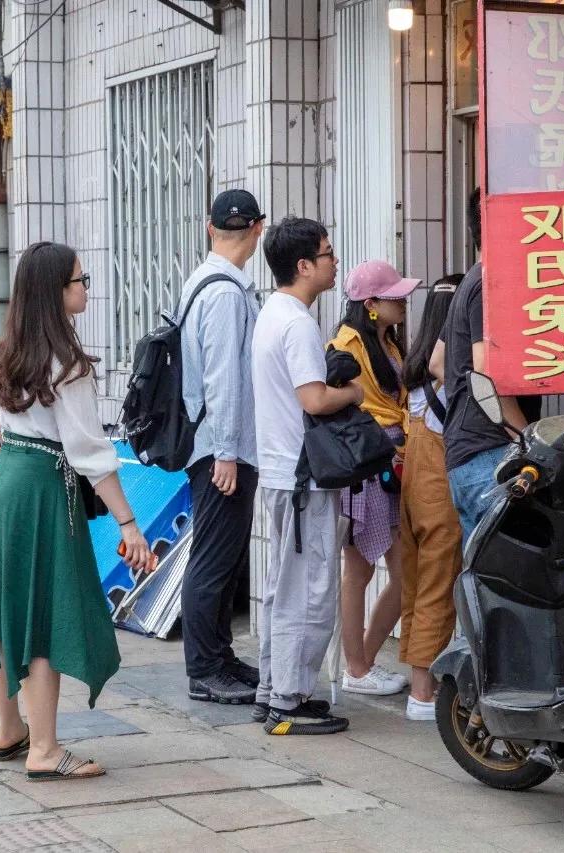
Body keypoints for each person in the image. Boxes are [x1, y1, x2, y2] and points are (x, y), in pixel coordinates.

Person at [0, 241, 155, 781]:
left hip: (5, 483)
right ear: (55, 291)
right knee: (44, 616)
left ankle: (10, 730)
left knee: (7, 609)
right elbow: (91, 452)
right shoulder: (66, 363)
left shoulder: (12, 349)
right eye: (79, 279)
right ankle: (44, 750)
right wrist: (128, 523)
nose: (85, 287)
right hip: (44, 487)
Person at [252, 216, 362, 736]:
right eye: (327, 252)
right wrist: (354, 396)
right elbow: (314, 399)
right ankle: (288, 703)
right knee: (310, 588)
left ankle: (273, 690)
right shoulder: (296, 322)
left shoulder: (272, 312)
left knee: (284, 585)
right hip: (304, 478)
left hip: (282, 473)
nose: (334, 260)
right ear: (303, 266)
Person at [178, 189, 265, 705]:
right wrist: (228, 453)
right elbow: (223, 381)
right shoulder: (227, 293)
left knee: (224, 558)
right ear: (258, 230)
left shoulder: (203, 283)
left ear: (209, 228)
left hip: (213, 446)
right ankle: (205, 668)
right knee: (213, 559)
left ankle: (220, 658)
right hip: (220, 450)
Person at [329, 260, 419, 698]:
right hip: (367, 464)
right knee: (360, 570)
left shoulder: (386, 341)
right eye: (393, 296)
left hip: (390, 459)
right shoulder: (346, 344)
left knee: (398, 570)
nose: (402, 302)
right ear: (370, 304)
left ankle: (361, 663)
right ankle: (358, 668)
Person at [431, 190, 541, 535]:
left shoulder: (471, 280)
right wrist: (527, 438)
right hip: (490, 455)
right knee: (513, 580)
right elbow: (485, 373)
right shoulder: (488, 283)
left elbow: (437, 362)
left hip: (466, 456)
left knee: (483, 579)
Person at [397, 275, 463, 721]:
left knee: (415, 585)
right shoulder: (448, 374)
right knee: (438, 587)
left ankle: (420, 683)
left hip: (411, 489)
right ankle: (423, 692)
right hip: (438, 490)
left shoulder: (415, 373)